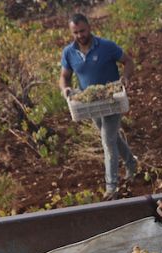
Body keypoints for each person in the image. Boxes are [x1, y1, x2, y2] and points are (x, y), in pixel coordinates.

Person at [58, 13, 137, 199]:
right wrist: (65, 89)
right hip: (91, 103)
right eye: (75, 32)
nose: (80, 35)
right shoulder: (69, 52)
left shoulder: (106, 46)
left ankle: (111, 186)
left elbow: (128, 61)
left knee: (107, 140)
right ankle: (131, 162)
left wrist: (125, 78)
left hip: (111, 99)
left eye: (82, 31)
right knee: (111, 137)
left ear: (89, 27)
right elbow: (64, 76)